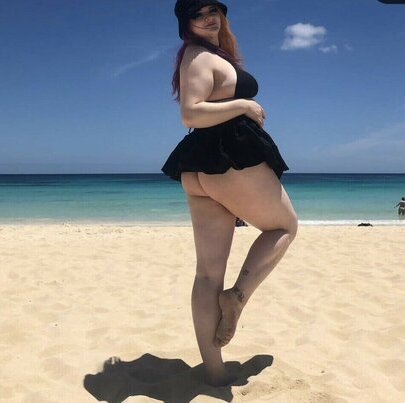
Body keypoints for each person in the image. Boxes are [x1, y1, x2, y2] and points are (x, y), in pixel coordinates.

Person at [161, 0, 298, 386]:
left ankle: (215, 373)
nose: (208, 18)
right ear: (186, 24)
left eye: (213, 11)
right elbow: (190, 113)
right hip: (229, 161)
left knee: (207, 274)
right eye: (198, 14)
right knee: (285, 228)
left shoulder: (203, 55)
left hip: (200, 168)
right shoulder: (198, 56)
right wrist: (243, 105)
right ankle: (236, 297)